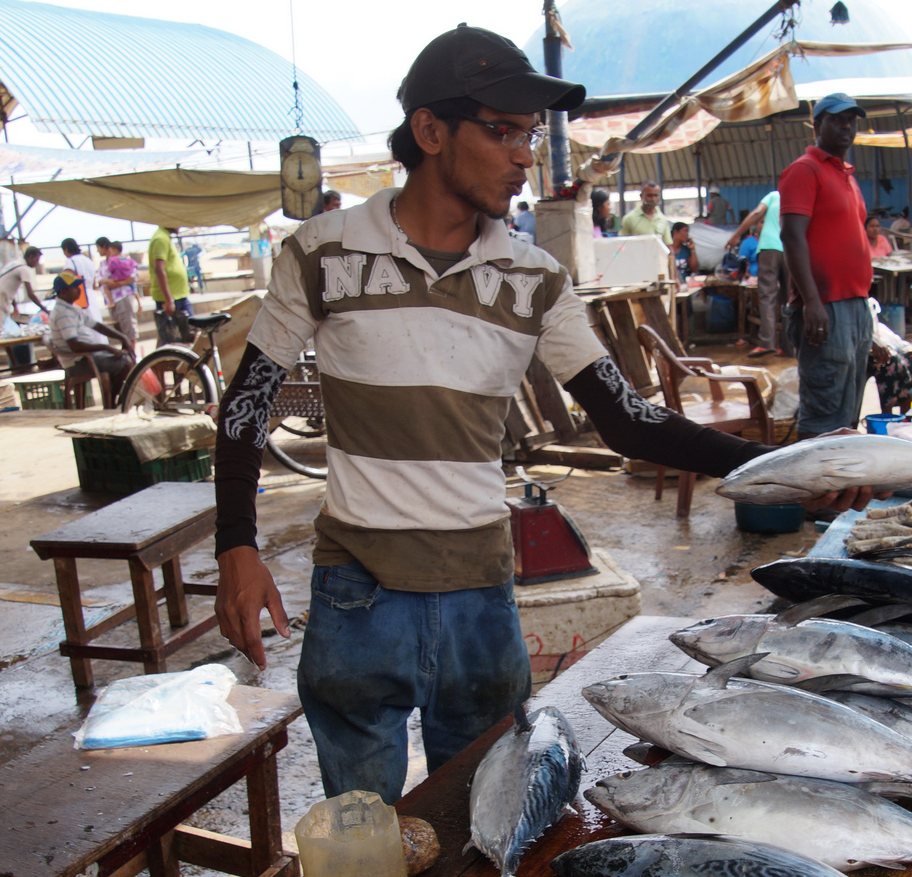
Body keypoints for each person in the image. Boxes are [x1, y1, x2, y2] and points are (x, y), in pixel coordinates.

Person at [210, 25, 876, 806]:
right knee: (364, 827)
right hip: (357, 595)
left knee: (481, 821)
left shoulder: (535, 278)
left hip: (482, 598)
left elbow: (626, 421)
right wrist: (236, 548)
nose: (526, 155)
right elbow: (248, 403)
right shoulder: (321, 252)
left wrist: (791, 466)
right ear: (430, 131)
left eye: (529, 133)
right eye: (504, 131)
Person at [779, 92, 884, 437]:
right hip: (824, 306)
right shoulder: (804, 170)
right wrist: (811, 301)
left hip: (854, 305)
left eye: (851, 120)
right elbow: (792, 237)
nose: (846, 127)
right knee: (824, 410)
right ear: (817, 125)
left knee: (847, 410)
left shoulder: (848, 177)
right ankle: (812, 488)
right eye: (837, 119)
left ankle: (835, 489)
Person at [49, 270, 135, 403]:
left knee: (124, 358)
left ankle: (114, 398)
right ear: (64, 292)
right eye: (75, 287)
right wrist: (105, 347)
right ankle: (113, 401)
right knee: (125, 363)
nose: (79, 290)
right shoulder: (62, 313)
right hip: (78, 361)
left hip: (86, 356)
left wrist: (122, 337)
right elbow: (75, 345)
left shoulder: (72, 308)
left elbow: (98, 326)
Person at [726, 189, 785, 358]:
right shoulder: (799, 198)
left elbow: (757, 212)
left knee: (767, 296)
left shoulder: (774, 195)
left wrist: (736, 235)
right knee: (789, 299)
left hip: (769, 248)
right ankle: (789, 346)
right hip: (791, 249)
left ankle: (767, 343)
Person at [0, 245, 48, 337]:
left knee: (4, 328)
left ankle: (9, 351)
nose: (37, 263)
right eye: (36, 260)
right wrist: (45, 309)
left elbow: (7, 285)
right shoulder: (23, 268)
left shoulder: (15, 264)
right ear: (30, 257)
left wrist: (15, 306)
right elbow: (30, 294)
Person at [148, 223, 192, 345]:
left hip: (178, 295)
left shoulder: (165, 237)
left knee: (187, 335)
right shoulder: (160, 239)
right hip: (171, 298)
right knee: (174, 340)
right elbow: (159, 269)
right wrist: (168, 300)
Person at [98, 239, 140, 358]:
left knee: (128, 328)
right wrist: (108, 282)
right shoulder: (104, 264)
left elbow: (134, 275)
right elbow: (99, 280)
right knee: (120, 329)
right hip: (113, 300)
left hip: (123, 297)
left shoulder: (125, 261)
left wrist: (119, 283)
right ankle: (127, 355)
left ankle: (132, 356)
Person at [61, 238, 96, 313]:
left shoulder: (71, 261)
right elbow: (94, 282)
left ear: (65, 250)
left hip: (80, 296)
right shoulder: (88, 260)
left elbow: (66, 280)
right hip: (91, 295)